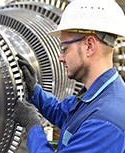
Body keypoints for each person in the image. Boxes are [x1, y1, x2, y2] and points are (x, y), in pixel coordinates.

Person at [14, 0, 125, 152]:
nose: (60, 57)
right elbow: (63, 113)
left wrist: (33, 126)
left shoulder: (105, 120)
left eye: (64, 48)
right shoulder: (97, 93)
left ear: (89, 46)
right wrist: (35, 92)